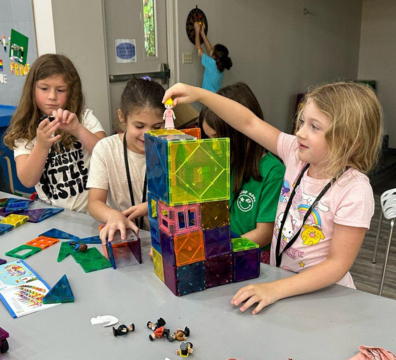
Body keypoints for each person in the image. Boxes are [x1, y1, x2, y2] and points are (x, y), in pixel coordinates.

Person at [163, 81, 382, 314]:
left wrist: (276, 289)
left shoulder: (355, 190)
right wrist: (200, 94)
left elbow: (337, 265)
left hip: (324, 297)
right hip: (283, 284)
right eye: (302, 122)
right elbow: (248, 122)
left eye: (315, 127)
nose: (300, 132)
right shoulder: (296, 156)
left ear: (349, 141)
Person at [4, 54, 106, 212]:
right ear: (32, 89)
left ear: (71, 92)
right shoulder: (25, 131)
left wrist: (77, 129)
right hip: (55, 216)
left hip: (95, 213)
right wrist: (41, 145)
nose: (52, 96)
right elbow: (27, 180)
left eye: (60, 90)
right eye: (44, 89)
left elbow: (107, 155)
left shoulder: (84, 118)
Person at [199, 83, 285, 264]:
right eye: (209, 139)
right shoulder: (223, 163)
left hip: (252, 259)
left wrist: (222, 248)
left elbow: (264, 233)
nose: (213, 147)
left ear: (241, 132)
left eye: (218, 139)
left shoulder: (273, 172)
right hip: (221, 251)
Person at [87, 77, 165, 243]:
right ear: (122, 117)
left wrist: (153, 207)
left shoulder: (171, 150)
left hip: (164, 238)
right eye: (139, 126)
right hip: (124, 238)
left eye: (157, 127)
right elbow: (94, 203)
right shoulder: (105, 149)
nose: (148, 134)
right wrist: (112, 215)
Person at [194, 22, 232, 93]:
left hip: (208, 97)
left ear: (214, 56)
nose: (211, 49)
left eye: (212, 49)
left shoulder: (211, 63)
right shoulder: (221, 64)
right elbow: (211, 51)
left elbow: (198, 48)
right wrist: (202, 33)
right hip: (217, 95)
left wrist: (197, 30)